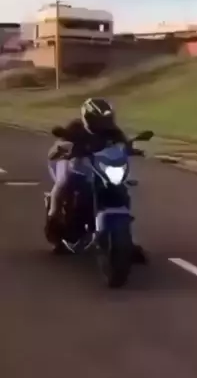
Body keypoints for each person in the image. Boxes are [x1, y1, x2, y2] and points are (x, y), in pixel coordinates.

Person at [46, 97, 146, 261]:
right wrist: (63, 148)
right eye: (99, 119)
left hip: (99, 168)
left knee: (121, 188)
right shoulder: (76, 128)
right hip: (76, 165)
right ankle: (54, 219)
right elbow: (59, 145)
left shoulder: (113, 132)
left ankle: (126, 241)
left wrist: (131, 149)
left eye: (106, 119)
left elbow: (122, 145)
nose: (103, 123)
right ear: (88, 118)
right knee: (64, 182)